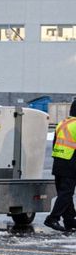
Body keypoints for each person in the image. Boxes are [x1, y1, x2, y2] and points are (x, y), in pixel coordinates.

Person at [45, 98, 76, 233]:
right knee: (66, 193)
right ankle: (52, 218)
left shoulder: (63, 123)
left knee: (65, 192)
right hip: (71, 162)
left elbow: (55, 143)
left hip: (59, 162)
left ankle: (69, 220)